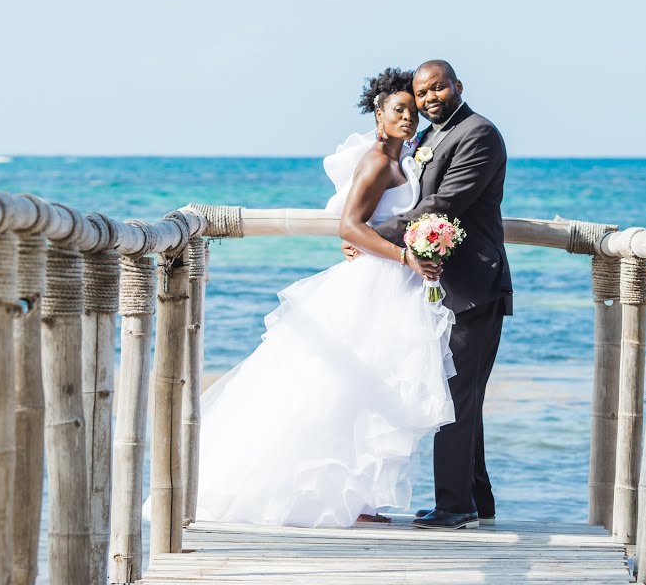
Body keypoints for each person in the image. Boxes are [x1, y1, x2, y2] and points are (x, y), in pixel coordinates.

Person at [146, 66, 458, 528]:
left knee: (369, 391)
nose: (409, 119)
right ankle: (315, 496)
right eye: (399, 111)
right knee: (341, 389)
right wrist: (405, 257)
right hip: (373, 285)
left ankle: (355, 498)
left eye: (412, 112)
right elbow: (349, 226)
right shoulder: (376, 161)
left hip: (390, 286)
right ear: (380, 115)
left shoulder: (402, 160)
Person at [346, 59, 513, 530]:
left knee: (457, 395)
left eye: (439, 88)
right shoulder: (427, 137)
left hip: (474, 283)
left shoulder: (478, 134)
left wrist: (368, 231)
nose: (430, 98)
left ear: (458, 85)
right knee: (464, 394)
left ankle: (455, 506)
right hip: (445, 284)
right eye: (423, 94)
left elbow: (444, 203)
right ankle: (476, 501)